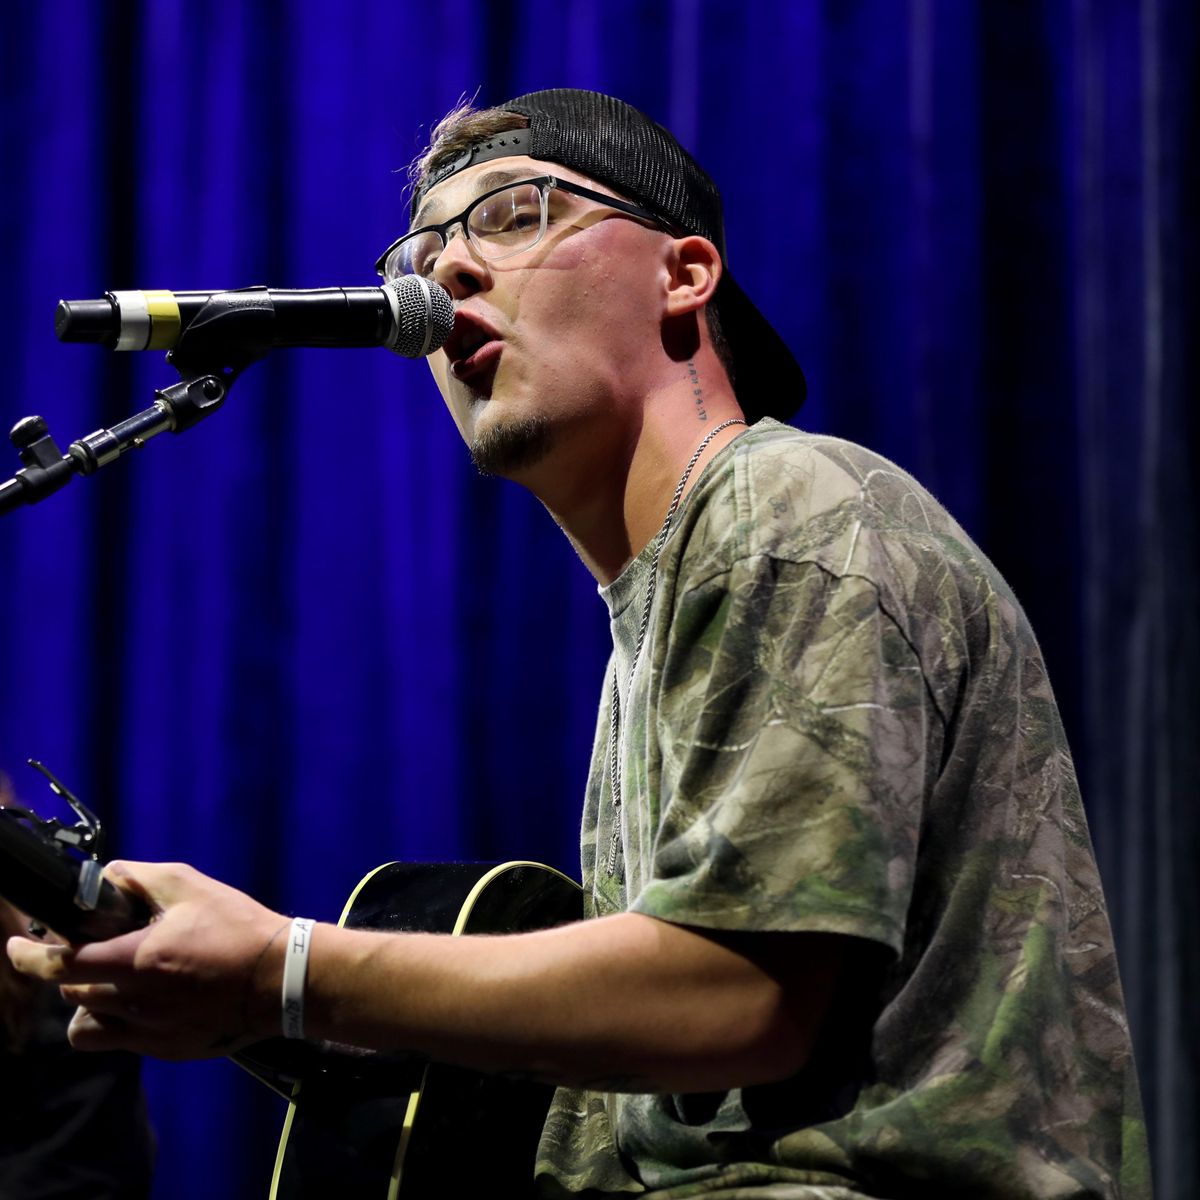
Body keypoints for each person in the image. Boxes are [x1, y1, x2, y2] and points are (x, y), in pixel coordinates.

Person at [7, 89, 1149, 1199]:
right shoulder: (661, 608)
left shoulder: (790, 514)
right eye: (421, 254)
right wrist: (239, 996)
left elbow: (740, 1000)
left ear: (683, 274)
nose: (445, 275)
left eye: (513, 215)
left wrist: (284, 971)